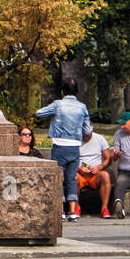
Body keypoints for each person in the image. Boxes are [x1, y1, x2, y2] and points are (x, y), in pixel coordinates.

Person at [36, 80, 91, 221]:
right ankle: (72, 212)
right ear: (76, 91)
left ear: (62, 91)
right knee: (71, 179)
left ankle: (60, 211)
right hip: (75, 146)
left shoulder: (58, 105)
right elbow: (87, 129)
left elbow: (39, 113)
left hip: (60, 144)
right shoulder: (82, 107)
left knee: (58, 178)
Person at [76, 123, 113, 218]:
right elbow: (70, 159)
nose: (86, 137)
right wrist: (79, 168)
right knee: (74, 178)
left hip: (95, 173)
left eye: (88, 135)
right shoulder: (75, 140)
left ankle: (104, 208)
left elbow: (108, 158)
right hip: (80, 173)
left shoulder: (99, 139)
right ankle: (76, 206)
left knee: (105, 175)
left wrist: (100, 167)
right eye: (84, 135)